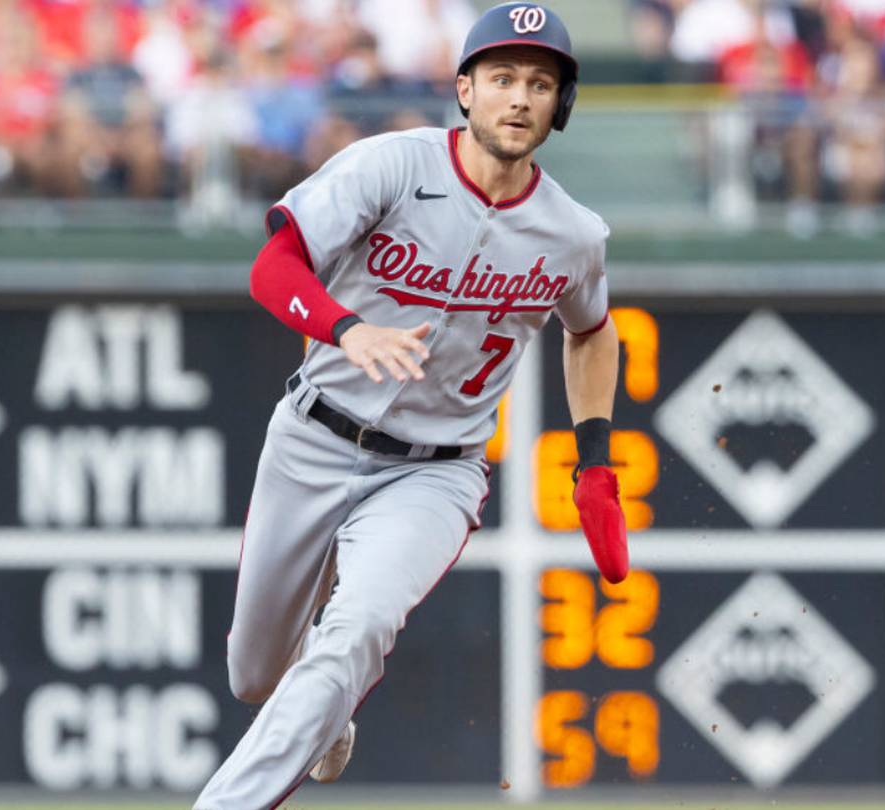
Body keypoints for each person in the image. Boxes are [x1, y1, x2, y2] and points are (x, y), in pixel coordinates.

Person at [192, 4, 628, 806]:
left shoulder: (571, 233)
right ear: (465, 89)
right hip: (314, 436)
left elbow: (593, 334)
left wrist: (594, 461)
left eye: (540, 82)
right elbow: (274, 268)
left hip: (435, 472)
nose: (520, 98)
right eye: (501, 78)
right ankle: (326, 713)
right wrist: (347, 329)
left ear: (560, 105)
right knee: (255, 677)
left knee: (356, 631)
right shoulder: (390, 166)